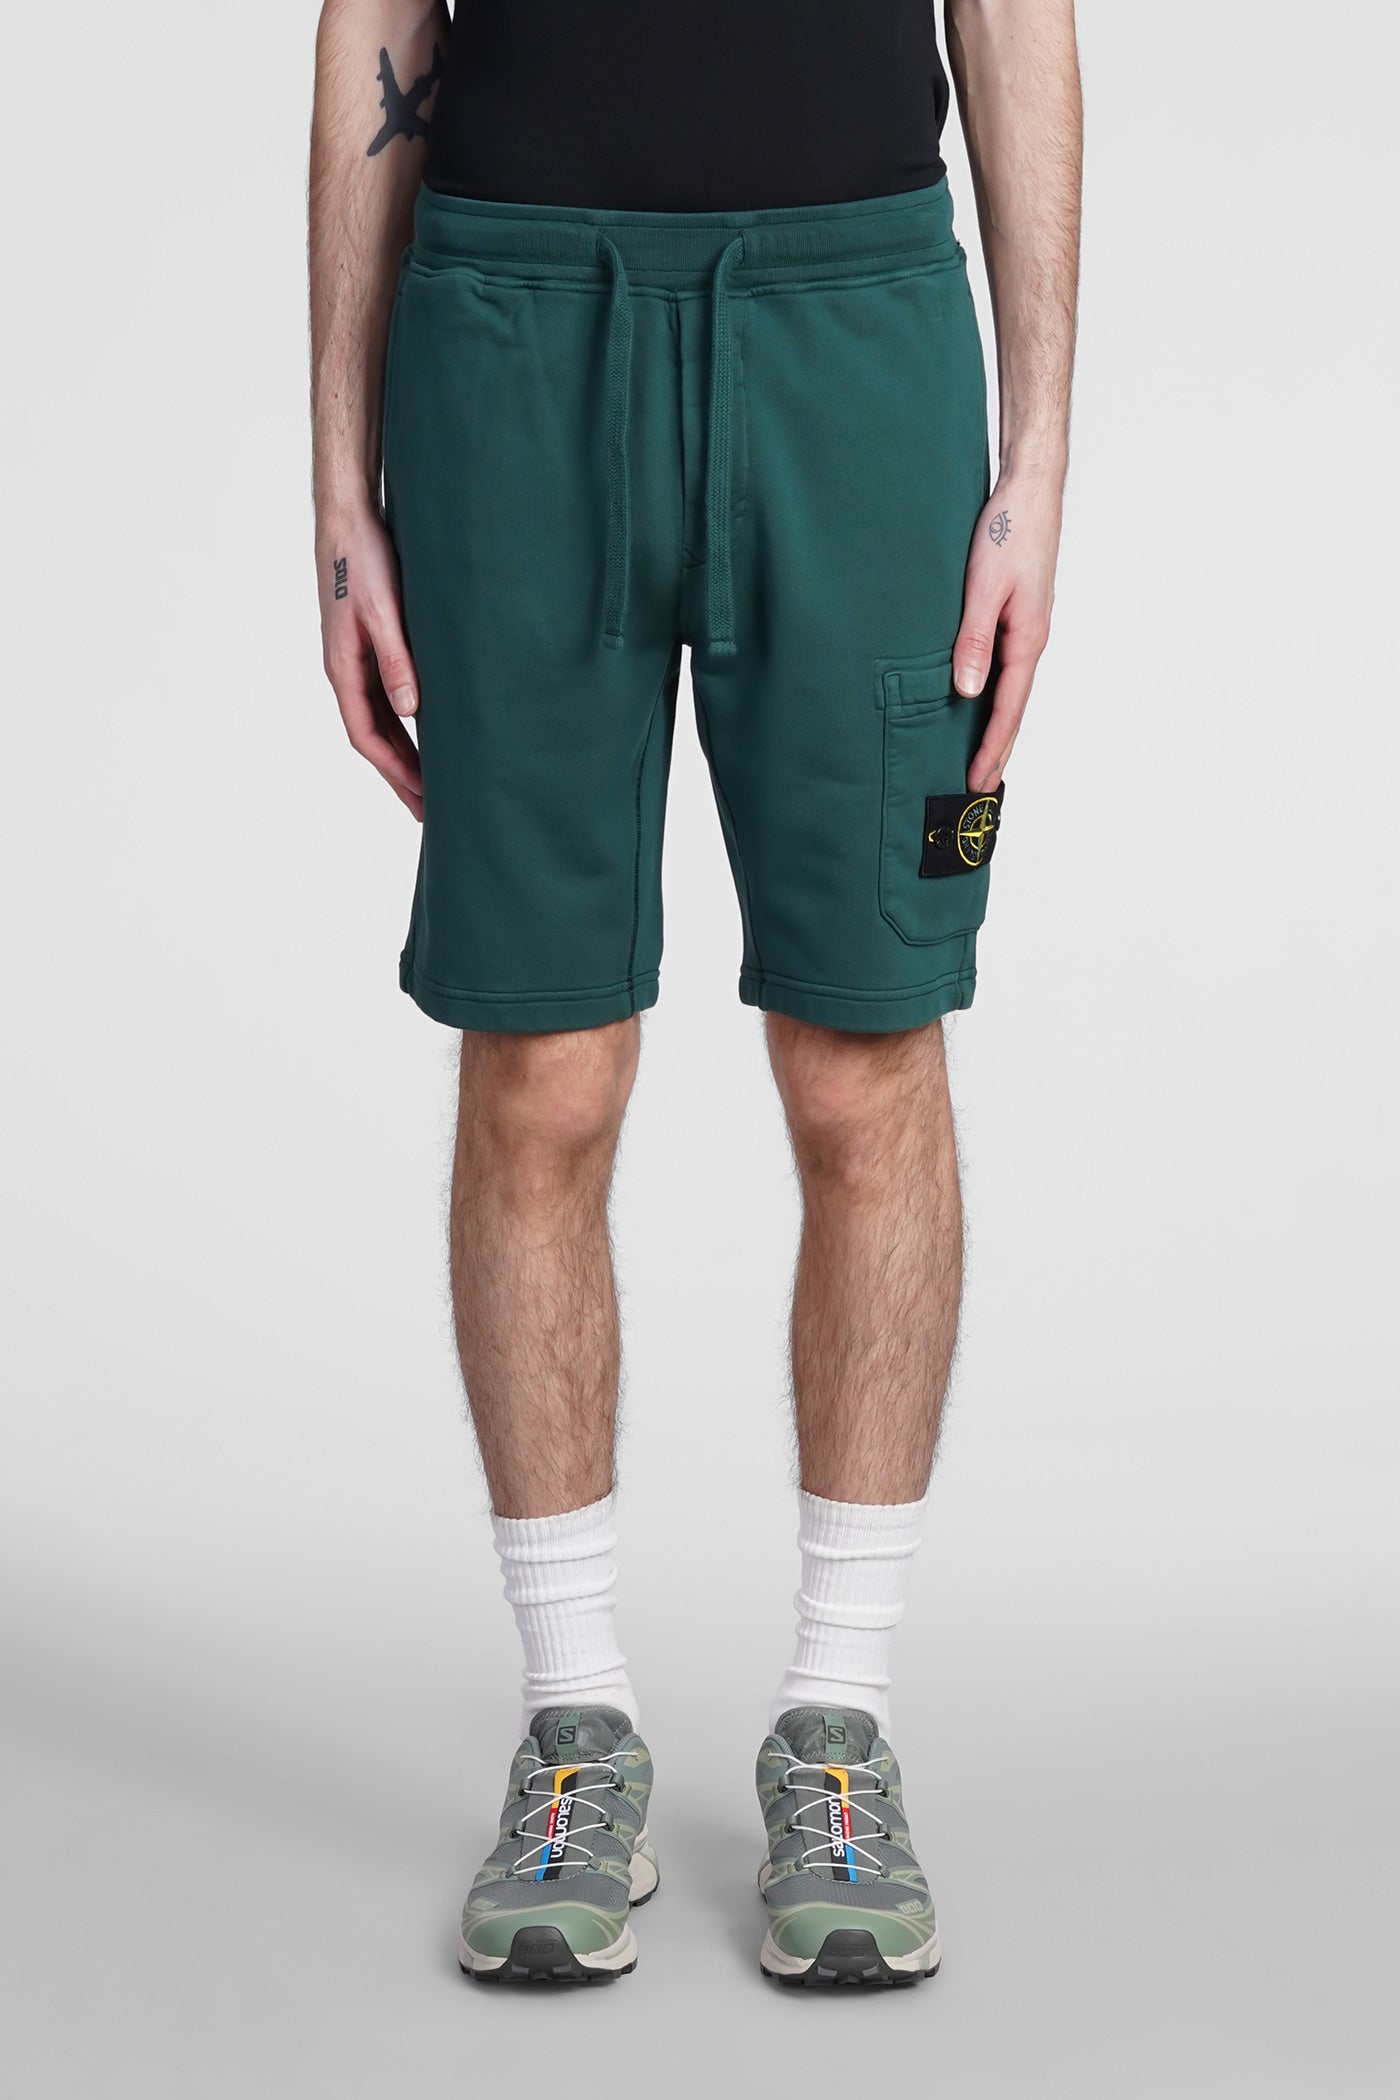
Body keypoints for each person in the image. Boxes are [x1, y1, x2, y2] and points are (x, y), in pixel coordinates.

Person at [309, 0, 1080, 1988]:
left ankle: (841, 1725)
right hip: (510, 337)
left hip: (858, 337)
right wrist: (337, 478)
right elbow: (374, 13)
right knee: (539, 1066)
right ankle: (574, 1723)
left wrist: (1037, 451)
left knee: (870, 1049)